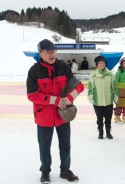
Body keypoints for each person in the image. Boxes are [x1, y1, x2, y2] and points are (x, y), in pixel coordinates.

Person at [26, 39, 84, 183]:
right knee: (44, 147)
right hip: (43, 117)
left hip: (62, 116)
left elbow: (79, 86)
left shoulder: (64, 67)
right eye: (48, 52)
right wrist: (55, 100)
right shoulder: (34, 71)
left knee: (65, 144)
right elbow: (32, 95)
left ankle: (65, 170)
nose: (52, 54)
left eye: (53, 51)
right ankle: (45, 171)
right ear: (41, 54)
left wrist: (70, 98)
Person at [87, 56, 118, 139]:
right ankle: (100, 133)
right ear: (97, 64)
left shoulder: (110, 74)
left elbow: (114, 86)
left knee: (108, 118)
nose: (102, 64)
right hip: (98, 100)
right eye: (100, 63)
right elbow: (90, 87)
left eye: (103, 63)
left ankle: (108, 133)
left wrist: (115, 95)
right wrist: (90, 96)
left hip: (108, 100)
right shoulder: (93, 74)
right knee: (99, 118)